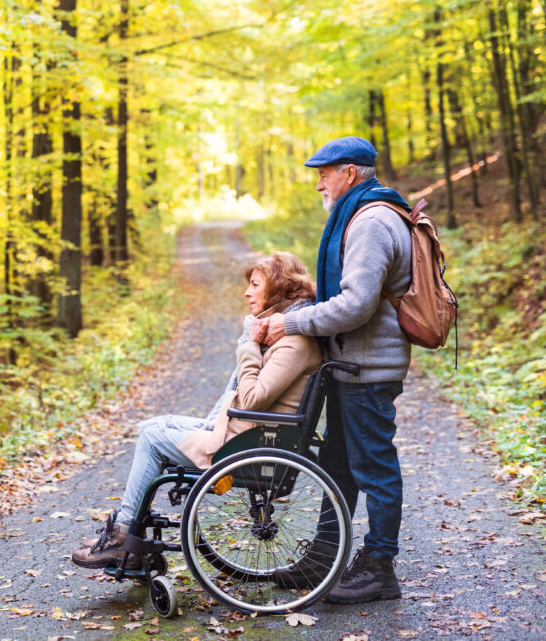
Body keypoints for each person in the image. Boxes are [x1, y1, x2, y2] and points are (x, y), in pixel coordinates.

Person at [71, 252, 323, 570]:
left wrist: (248, 347)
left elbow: (253, 398)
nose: (246, 293)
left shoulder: (294, 343)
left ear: (279, 290)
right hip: (247, 433)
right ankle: (129, 535)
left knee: (151, 439)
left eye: (255, 285)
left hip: (250, 442)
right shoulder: (286, 337)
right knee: (151, 426)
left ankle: (123, 539)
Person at [263, 136, 412, 604]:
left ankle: (379, 567)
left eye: (323, 173)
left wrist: (289, 321)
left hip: (369, 368)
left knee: (374, 467)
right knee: (339, 466)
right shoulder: (359, 214)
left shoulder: (371, 221)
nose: (318, 183)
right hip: (351, 365)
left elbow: (356, 305)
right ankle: (325, 554)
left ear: (349, 173)